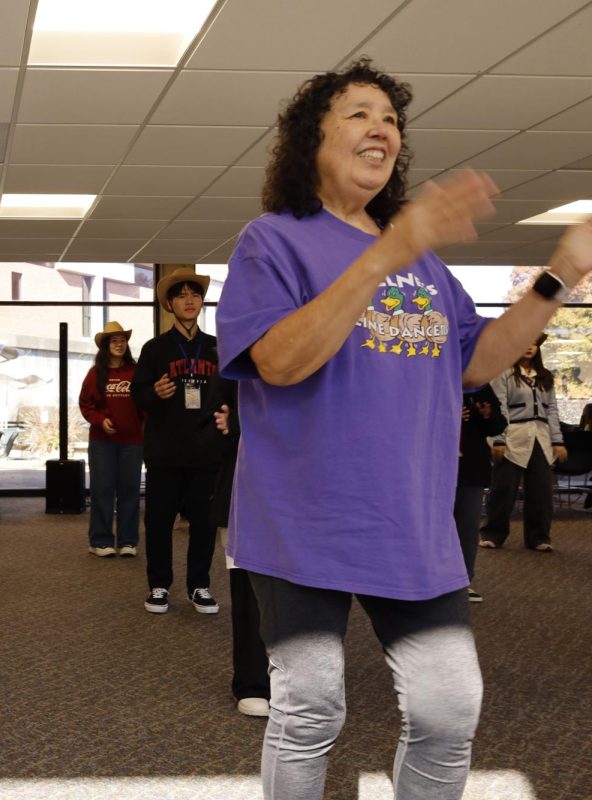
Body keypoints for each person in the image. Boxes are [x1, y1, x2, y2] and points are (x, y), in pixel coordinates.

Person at [214, 58, 592, 799]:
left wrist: (558, 277)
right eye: (359, 113)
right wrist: (387, 252)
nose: (381, 128)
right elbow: (280, 362)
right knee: (311, 709)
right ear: (309, 141)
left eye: (390, 118)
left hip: (412, 526)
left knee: (449, 712)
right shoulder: (274, 240)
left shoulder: (425, 270)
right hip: (302, 525)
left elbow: (475, 361)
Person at [130, 267, 228, 615]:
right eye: (181, 295)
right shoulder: (155, 348)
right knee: (158, 522)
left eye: (195, 294)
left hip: (207, 452)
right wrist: (154, 392)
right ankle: (159, 585)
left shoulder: (217, 347)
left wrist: (230, 413)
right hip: (165, 452)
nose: (189, 300)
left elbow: (235, 391)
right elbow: (137, 395)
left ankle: (199, 585)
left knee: (204, 524)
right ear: (169, 304)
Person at [211, 395, 271, 717]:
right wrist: (232, 422)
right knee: (249, 588)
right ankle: (253, 682)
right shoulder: (237, 372)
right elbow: (211, 416)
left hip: (308, 483)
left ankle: (294, 678)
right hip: (247, 481)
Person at [482, 334, 565, 552]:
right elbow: (500, 407)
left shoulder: (545, 376)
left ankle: (539, 537)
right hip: (513, 435)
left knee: (541, 490)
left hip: (541, 436)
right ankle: (493, 533)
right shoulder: (505, 374)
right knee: (504, 488)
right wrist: (499, 439)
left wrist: (558, 440)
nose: (529, 347)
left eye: (534, 343)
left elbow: (552, 410)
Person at [78, 321, 144, 557]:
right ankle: (101, 541)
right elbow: (85, 404)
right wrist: (100, 420)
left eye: (123, 340)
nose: (119, 344)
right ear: (106, 346)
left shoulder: (136, 372)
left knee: (129, 492)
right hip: (102, 442)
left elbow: (144, 404)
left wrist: (142, 425)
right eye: (114, 341)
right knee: (103, 491)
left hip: (132, 443)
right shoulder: (95, 374)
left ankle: (128, 541)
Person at [455, 387, 506, 602]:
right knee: (432, 527)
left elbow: (498, 424)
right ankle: (430, 580)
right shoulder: (428, 374)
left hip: (471, 467)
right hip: (432, 465)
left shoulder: (480, 386)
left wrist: (487, 415)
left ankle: (463, 582)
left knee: (467, 526)